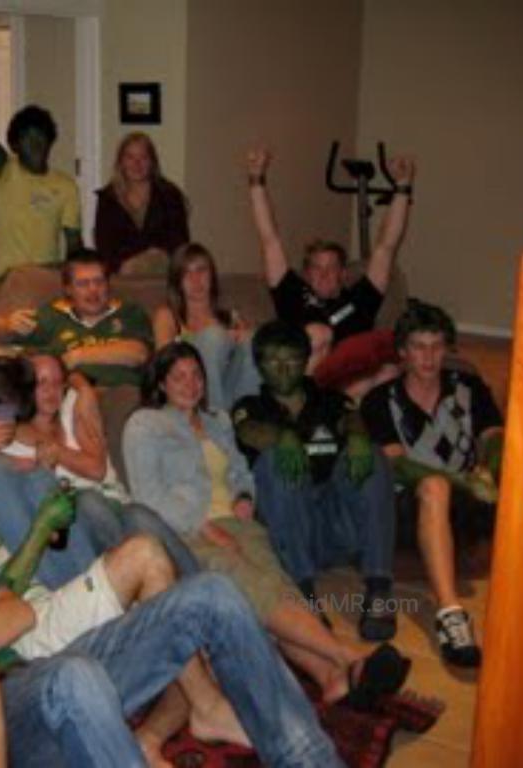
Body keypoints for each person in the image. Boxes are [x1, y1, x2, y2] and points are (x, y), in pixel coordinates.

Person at [0, 453, 344, 767]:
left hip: (29, 670)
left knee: (213, 595)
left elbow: (19, 614)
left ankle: (310, 761)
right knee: (70, 676)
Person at [124, 341, 410, 706]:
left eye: (196, 375)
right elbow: (148, 496)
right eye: (178, 377)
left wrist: (245, 498)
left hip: (239, 524)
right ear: (161, 384)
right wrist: (203, 525)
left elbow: (241, 472)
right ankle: (348, 655)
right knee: (254, 585)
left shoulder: (218, 421)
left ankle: (330, 679)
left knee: (274, 587)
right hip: (187, 533)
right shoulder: (146, 425)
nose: (190, 383)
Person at [231, 321, 398, 641]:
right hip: (290, 531)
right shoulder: (250, 407)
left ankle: (379, 589)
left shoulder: (330, 400)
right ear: (258, 364)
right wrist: (282, 437)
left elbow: (352, 419)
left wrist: (358, 436)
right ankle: (303, 593)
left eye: (292, 359)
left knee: (371, 455)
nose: (282, 368)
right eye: (272, 360)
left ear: (306, 360)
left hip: (337, 525)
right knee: (275, 461)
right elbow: (247, 431)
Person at [361, 300, 504, 668]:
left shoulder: (469, 387)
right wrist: (459, 480)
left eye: (437, 346)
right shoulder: (380, 400)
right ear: (403, 353)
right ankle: (450, 615)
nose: (429, 356)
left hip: (470, 504)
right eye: (419, 347)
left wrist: (487, 469)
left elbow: (495, 438)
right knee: (434, 487)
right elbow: (398, 465)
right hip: (408, 509)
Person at [1, 352, 200, 577]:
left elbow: (97, 469)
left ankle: (200, 584)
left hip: (117, 504)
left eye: (58, 383)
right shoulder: (9, 441)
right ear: (24, 387)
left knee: (138, 514)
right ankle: (134, 579)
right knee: (88, 501)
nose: (51, 391)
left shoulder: (73, 407)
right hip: (80, 525)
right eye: (41, 383)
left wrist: (58, 450)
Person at [246, 145, 414, 391]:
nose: (324, 274)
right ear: (306, 274)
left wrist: (403, 186)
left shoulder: (360, 298)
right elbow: (269, 237)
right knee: (318, 333)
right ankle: (307, 406)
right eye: (316, 268)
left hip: (349, 382)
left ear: (344, 274)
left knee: (388, 372)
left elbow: (386, 247)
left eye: (332, 267)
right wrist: (255, 178)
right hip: (303, 378)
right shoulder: (292, 292)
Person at [0, 248, 153, 388]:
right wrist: (5, 325)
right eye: (83, 284)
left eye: (99, 281)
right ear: (68, 289)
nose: (93, 290)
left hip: (117, 392)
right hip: (65, 394)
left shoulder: (128, 313)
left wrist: (77, 356)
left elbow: (138, 354)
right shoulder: (54, 315)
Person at [0, 83, 82, 280]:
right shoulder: (6, 171)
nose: (35, 144)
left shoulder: (66, 186)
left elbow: (74, 244)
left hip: (47, 278)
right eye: (27, 138)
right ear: (15, 145)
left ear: (50, 141)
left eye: (41, 136)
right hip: (10, 281)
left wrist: (73, 280)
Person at [153, 242, 261, 410]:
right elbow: (164, 363)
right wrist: (217, 338)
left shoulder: (230, 317)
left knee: (252, 339)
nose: (196, 279)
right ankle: (210, 420)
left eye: (201, 270)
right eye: (186, 273)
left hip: (232, 395)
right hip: (190, 395)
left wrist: (239, 339)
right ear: (177, 281)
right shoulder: (168, 315)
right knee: (214, 336)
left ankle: (248, 420)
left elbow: (248, 362)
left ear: (212, 275)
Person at [94, 132, 190, 274]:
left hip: (163, 274)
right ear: (121, 162)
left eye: (143, 157)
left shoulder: (169, 195)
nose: (137, 164)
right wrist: (130, 265)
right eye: (130, 157)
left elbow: (180, 242)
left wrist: (152, 258)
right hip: (122, 275)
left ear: (152, 162)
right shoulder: (108, 199)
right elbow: (104, 246)